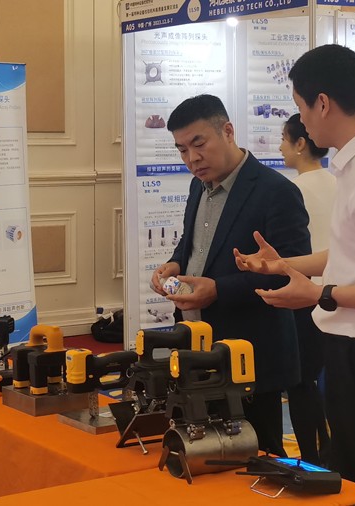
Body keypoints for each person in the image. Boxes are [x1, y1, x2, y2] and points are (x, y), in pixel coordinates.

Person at [233, 45, 355, 504]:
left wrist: (320, 294)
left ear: (322, 103)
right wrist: (285, 266)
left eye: (301, 107)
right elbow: (352, 254)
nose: (301, 122)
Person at [149, 94, 311, 457]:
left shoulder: (276, 192)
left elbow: (290, 273)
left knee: (258, 456)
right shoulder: (198, 186)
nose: (192, 158)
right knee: (204, 452)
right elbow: (194, 245)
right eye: (182, 150)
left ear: (228, 131)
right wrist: (175, 264)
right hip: (196, 344)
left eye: (199, 144)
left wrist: (218, 290)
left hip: (249, 354)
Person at [280, 113, 335, 465]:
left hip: (305, 294)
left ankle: (313, 457)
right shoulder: (338, 183)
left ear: (301, 144)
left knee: (300, 380)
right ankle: (327, 451)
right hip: (337, 292)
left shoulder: (291, 190)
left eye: (284, 139)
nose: (280, 147)